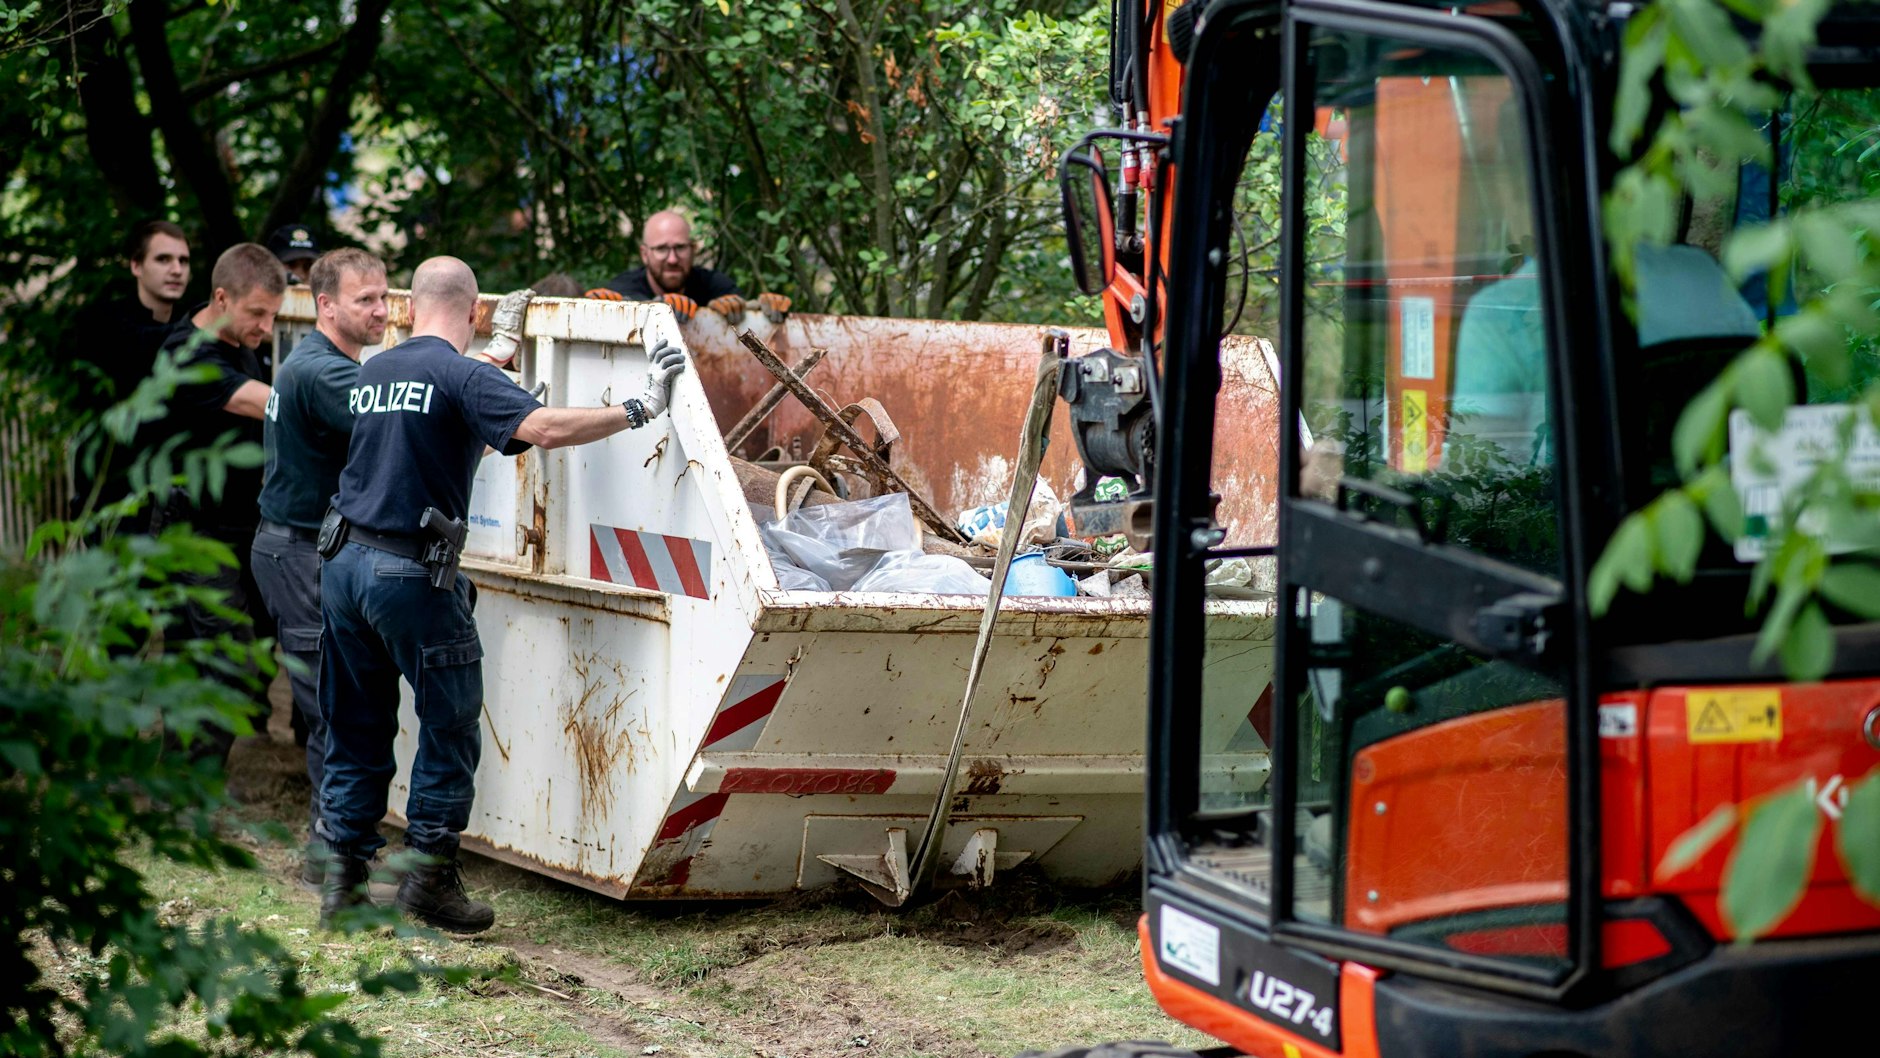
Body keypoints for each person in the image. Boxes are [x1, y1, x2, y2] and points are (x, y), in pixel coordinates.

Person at [317, 256, 687, 933]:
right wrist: (641, 406)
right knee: (450, 724)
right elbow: (544, 429)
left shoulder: (376, 371)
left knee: (357, 723)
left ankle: (342, 881)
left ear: (408, 307)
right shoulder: (460, 375)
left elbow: (426, 444)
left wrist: (494, 397)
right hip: (406, 575)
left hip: (342, 565)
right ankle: (426, 879)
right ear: (475, 310)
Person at [251, 248, 389, 886]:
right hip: (299, 551)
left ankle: (336, 846)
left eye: (385, 297)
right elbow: (400, 417)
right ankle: (331, 858)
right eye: (365, 300)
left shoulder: (316, 361)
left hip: (300, 548)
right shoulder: (325, 374)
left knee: (329, 705)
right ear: (325, 304)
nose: (381, 310)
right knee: (331, 709)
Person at [151, 243, 284, 764]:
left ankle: (174, 789)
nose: (266, 328)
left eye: (272, 314)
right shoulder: (187, 354)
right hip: (193, 535)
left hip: (235, 530)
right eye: (257, 313)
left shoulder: (237, 343)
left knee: (192, 662)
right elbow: (269, 403)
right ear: (222, 296)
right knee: (230, 664)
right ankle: (191, 793)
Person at [584, 209, 790, 324]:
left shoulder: (713, 284)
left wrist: (767, 308)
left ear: (693, 249)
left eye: (680, 248)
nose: (672, 259)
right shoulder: (623, 287)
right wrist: (660, 305)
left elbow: (750, 318)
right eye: (662, 249)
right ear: (645, 254)